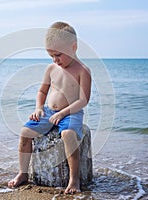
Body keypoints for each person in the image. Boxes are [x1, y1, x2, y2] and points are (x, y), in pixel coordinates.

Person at [8, 21, 91, 194]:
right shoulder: (51, 68)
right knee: (25, 133)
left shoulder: (82, 70)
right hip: (49, 112)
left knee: (68, 135)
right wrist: (39, 108)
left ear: (73, 47)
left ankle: (74, 179)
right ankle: (23, 173)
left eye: (58, 55)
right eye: (51, 55)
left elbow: (83, 100)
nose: (55, 59)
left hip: (70, 112)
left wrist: (62, 113)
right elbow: (42, 91)